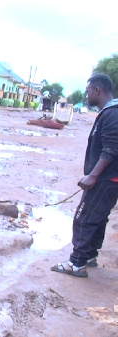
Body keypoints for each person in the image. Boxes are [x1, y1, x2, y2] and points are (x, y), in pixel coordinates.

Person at [51, 73, 118, 278]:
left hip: (106, 179)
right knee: (98, 218)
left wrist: (93, 176)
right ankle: (89, 256)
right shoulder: (109, 112)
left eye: (88, 90)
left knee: (84, 218)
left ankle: (76, 263)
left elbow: (112, 148)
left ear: (97, 90)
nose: (86, 94)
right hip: (109, 178)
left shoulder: (112, 114)